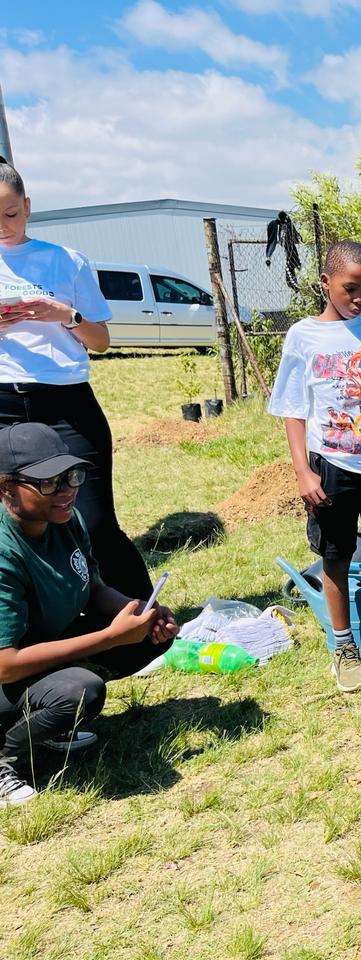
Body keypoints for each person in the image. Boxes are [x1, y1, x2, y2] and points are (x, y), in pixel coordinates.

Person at [0, 422, 177, 806]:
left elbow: (93, 587)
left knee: (146, 636)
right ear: (6, 488)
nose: (66, 491)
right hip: (6, 669)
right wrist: (111, 637)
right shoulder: (4, 552)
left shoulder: (64, 518)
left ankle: (43, 723)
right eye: (48, 482)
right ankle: (5, 754)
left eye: (71, 476)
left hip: (36, 648)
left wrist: (140, 612)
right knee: (79, 691)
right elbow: (7, 666)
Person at [0, 161, 152, 600]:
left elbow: (101, 341)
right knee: (14, 521)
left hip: (66, 402)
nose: (4, 226)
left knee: (94, 518)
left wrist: (64, 315)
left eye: (11, 214)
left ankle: (143, 621)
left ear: (27, 207)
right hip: (3, 402)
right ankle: (36, 624)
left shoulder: (65, 261)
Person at [268, 241, 361, 692]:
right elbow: (292, 408)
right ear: (325, 282)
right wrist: (302, 471)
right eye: (351, 288)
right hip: (333, 466)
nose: (360, 299)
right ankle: (343, 649)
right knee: (337, 557)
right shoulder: (303, 336)